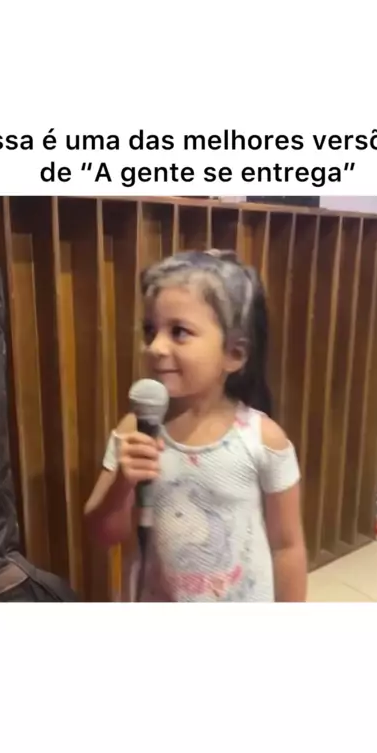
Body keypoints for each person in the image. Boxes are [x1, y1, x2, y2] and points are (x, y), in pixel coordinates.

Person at [85, 249, 307, 602]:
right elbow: (102, 533)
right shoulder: (134, 431)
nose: (156, 347)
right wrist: (122, 483)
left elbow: (287, 546)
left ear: (234, 354)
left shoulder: (263, 439)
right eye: (150, 330)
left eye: (179, 332)